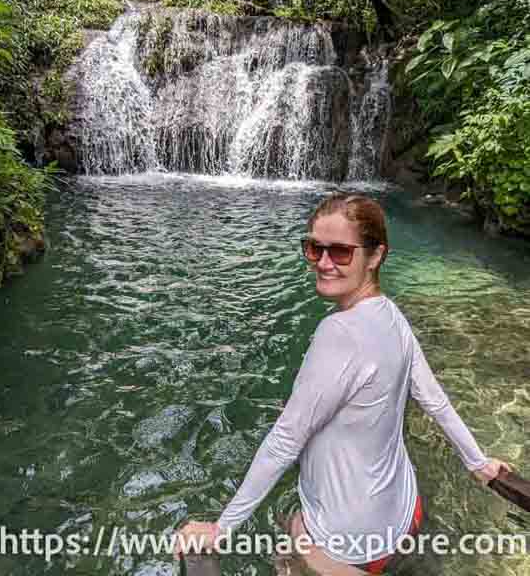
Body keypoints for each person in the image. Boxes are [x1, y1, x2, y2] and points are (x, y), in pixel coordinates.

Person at [175, 193, 510, 573]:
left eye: (340, 252)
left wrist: (221, 528)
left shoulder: (338, 332)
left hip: (343, 544)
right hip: (402, 515)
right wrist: (478, 463)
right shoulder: (391, 314)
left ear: (376, 256)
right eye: (313, 248)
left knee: (285, 542)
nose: (323, 262)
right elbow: (433, 398)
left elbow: (285, 439)